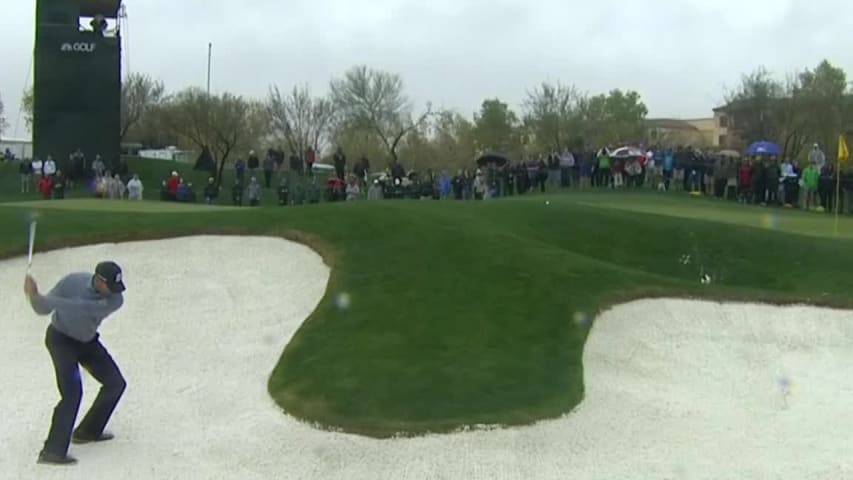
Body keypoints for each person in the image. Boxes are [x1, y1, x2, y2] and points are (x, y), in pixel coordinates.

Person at [23, 262, 128, 466]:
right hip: (60, 341)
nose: (115, 293)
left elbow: (83, 308)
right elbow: (42, 309)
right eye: (111, 287)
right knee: (72, 393)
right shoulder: (72, 282)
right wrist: (34, 297)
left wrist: (47, 298)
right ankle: (52, 451)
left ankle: (87, 431)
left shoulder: (115, 300)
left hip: (87, 342)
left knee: (115, 383)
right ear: (98, 280)